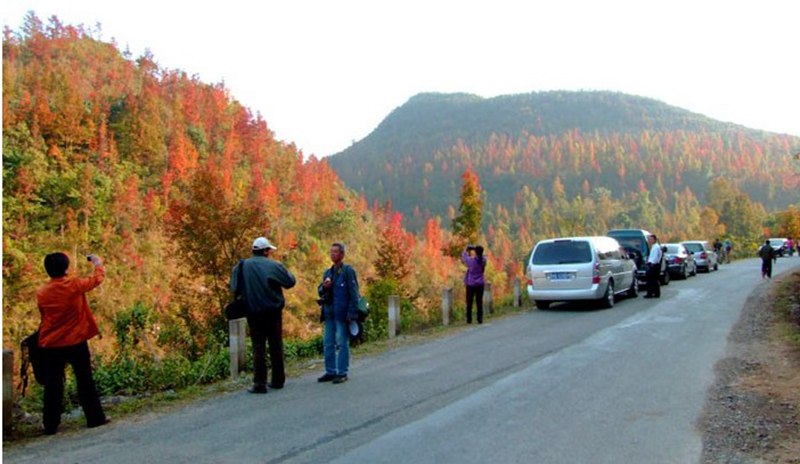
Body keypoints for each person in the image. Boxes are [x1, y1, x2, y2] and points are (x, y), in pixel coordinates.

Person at [36, 252, 109, 435]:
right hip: (75, 340)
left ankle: (50, 424)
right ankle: (94, 418)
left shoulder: (42, 292)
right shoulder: (73, 285)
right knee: (84, 379)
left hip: (51, 343)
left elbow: (44, 317)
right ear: (66, 268)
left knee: (53, 384)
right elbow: (96, 280)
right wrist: (98, 263)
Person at [230, 237, 296, 394]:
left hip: (253, 312)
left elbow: (234, 286)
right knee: (275, 345)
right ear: (265, 251)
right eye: (269, 250)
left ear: (254, 250)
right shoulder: (274, 266)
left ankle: (259, 383)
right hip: (273, 311)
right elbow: (290, 282)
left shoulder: (243, 266)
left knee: (258, 347)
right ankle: (278, 380)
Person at [317, 242, 359, 384]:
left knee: (342, 343)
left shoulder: (348, 271)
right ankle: (330, 371)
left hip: (342, 314)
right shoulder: (327, 273)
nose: (333, 254)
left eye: (336, 252)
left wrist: (352, 314)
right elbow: (320, 290)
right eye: (331, 252)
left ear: (342, 254)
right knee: (328, 343)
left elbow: (354, 293)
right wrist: (324, 286)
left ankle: (342, 372)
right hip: (329, 313)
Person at [461, 245, 487, 324]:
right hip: (480, 284)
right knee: (479, 302)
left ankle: (469, 319)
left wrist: (467, 249)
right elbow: (483, 256)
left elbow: (464, 257)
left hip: (471, 284)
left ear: (475, 252)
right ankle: (480, 319)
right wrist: (476, 250)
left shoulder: (471, 261)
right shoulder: (484, 260)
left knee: (469, 302)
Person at [643, 234, 663, 299]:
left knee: (651, 280)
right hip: (653, 265)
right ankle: (655, 293)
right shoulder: (654, 247)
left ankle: (651, 293)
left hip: (654, 265)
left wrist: (650, 264)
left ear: (654, 240)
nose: (649, 240)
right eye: (649, 239)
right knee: (653, 280)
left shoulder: (656, 247)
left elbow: (655, 258)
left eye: (651, 239)